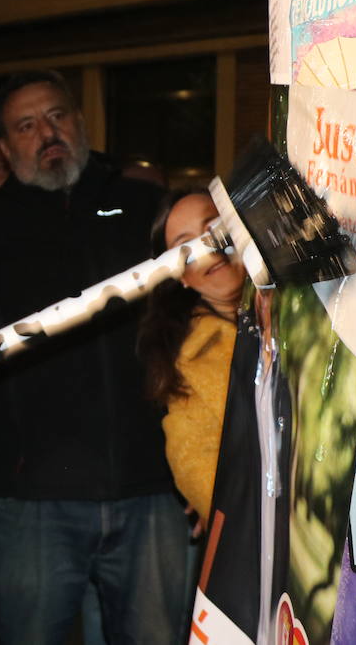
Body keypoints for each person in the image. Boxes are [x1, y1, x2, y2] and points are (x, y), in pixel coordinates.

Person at [0, 69, 189, 644]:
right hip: (30, 506)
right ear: (5, 146)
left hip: (150, 495)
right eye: (27, 124)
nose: (48, 132)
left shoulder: (144, 208)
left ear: (80, 123)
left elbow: (200, 329)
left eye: (57, 116)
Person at [139, 189, 245, 531]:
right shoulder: (187, 360)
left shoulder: (313, 306)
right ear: (181, 276)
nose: (207, 247)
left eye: (213, 226)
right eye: (186, 246)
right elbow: (194, 463)